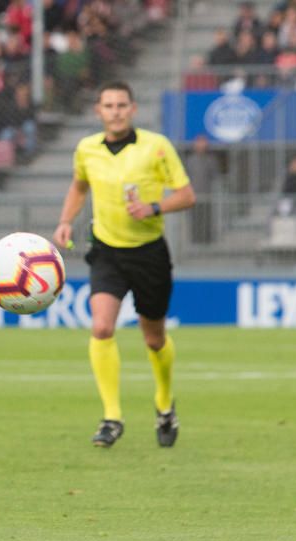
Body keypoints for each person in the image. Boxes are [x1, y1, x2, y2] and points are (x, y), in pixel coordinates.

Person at [52, 81, 195, 449]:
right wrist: (67, 220)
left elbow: (186, 194)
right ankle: (111, 417)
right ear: (98, 112)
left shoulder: (157, 147)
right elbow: (79, 186)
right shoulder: (87, 149)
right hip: (107, 251)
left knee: (154, 338)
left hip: (149, 253)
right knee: (101, 327)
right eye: (108, 105)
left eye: (121, 105)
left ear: (132, 109)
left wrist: (155, 207)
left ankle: (164, 404)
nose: (115, 111)